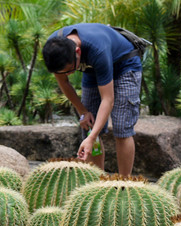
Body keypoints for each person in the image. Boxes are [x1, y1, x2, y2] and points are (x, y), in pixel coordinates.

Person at [42, 23, 142, 175]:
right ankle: (98, 180)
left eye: (70, 70)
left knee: (122, 127)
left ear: (77, 51)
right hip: (92, 70)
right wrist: (83, 111)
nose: (67, 74)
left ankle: (124, 183)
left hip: (124, 65)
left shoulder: (97, 49)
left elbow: (108, 99)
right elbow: (63, 82)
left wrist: (93, 137)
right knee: (89, 127)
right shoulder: (55, 50)